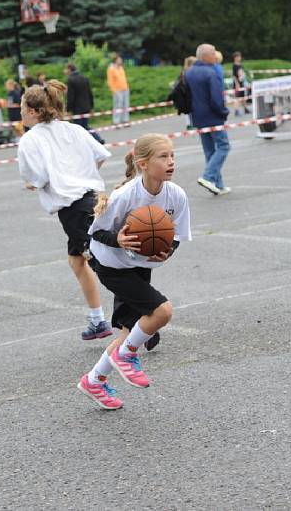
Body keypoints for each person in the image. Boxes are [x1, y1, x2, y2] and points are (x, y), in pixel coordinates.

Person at [78, 133, 192, 409]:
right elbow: (95, 234)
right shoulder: (125, 195)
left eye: (172, 156)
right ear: (142, 163)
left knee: (131, 330)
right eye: (163, 157)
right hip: (111, 265)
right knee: (162, 311)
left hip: (139, 265)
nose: (171, 162)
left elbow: (176, 236)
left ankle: (94, 380)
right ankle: (126, 356)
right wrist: (117, 238)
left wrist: (167, 250)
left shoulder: (175, 195)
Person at [16, 79, 114, 342]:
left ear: (35, 111)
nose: (20, 112)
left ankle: (141, 312)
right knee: (77, 260)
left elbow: (37, 177)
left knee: (103, 263)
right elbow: (102, 154)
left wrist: (33, 184)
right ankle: (97, 320)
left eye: (23, 107)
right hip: (94, 197)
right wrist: (84, 175)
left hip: (74, 207)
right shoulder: (73, 129)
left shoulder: (30, 140)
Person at [185, 43, 231, 195]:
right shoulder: (211, 73)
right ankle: (208, 176)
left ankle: (218, 184)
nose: (215, 55)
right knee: (224, 146)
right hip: (213, 117)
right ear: (205, 56)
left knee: (209, 150)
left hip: (197, 117)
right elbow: (216, 98)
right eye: (212, 53)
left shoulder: (189, 72)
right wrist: (224, 112)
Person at [64, 63, 105, 144]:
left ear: (69, 69)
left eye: (66, 69)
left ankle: (83, 143)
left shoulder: (71, 80)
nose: (65, 71)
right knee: (85, 126)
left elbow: (71, 96)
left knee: (78, 127)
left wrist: (68, 109)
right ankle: (98, 139)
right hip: (86, 106)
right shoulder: (84, 77)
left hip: (77, 108)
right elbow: (90, 93)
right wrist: (91, 106)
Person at [107, 55, 130, 126]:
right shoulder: (111, 68)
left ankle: (125, 120)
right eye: (119, 60)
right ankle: (116, 121)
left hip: (125, 88)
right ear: (115, 60)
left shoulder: (121, 68)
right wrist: (113, 90)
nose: (120, 61)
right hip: (117, 90)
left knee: (125, 105)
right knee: (118, 105)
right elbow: (110, 81)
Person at [231, 51, 250, 116]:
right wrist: (237, 83)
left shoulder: (240, 65)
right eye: (238, 56)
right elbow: (234, 76)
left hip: (242, 83)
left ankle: (245, 109)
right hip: (237, 83)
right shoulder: (234, 65)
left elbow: (242, 73)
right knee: (237, 98)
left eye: (240, 56)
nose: (240, 58)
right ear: (235, 58)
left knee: (243, 96)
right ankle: (236, 110)